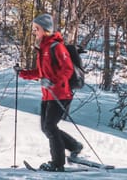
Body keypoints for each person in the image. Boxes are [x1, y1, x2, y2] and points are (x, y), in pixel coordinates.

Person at [15, 13, 82, 172]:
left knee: (50, 126)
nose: (34, 32)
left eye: (36, 29)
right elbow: (40, 72)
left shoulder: (56, 47)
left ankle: (57, 164)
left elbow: (67, 69)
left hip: (61, 94)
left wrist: (53, 82)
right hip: (48, 94)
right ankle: (74, 145)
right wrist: (22, 73)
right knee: (47, 128)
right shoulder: (43, 48)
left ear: (45, 30)